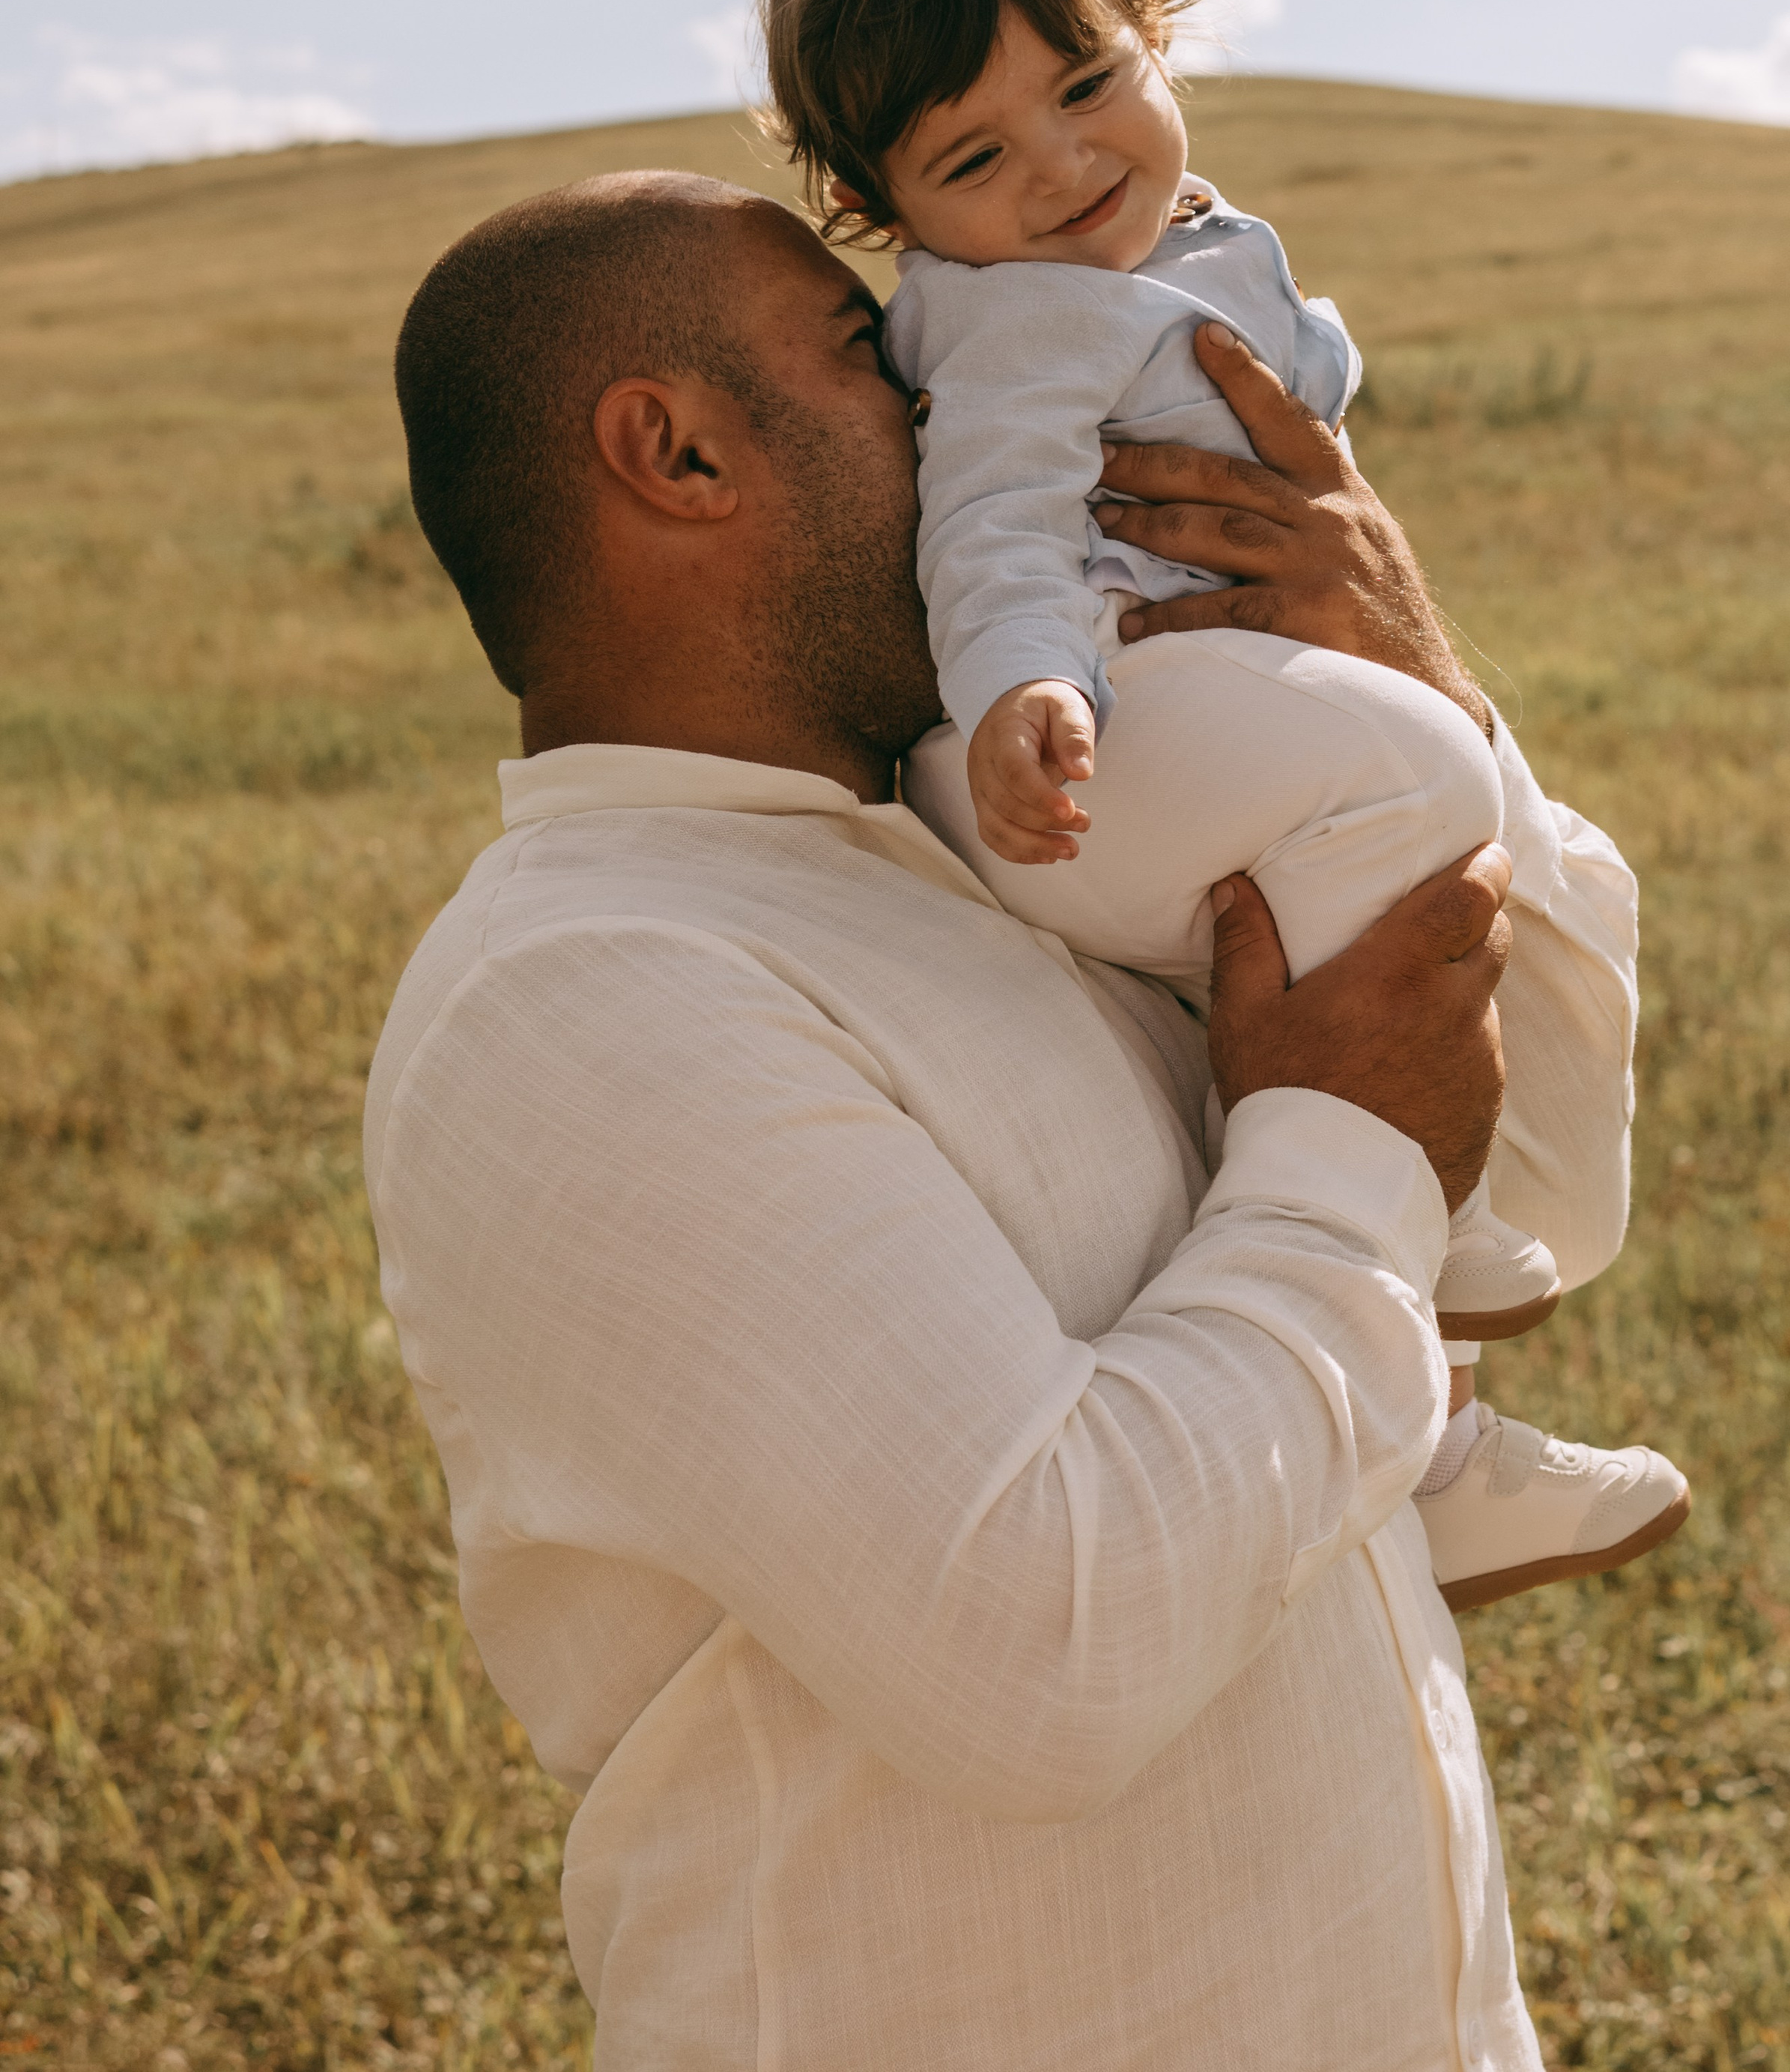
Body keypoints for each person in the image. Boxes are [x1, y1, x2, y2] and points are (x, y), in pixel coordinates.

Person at [370, 167, 1640, 2067]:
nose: (969, 384)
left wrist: (1413, 704)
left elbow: (1538, 1194)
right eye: (875, 354)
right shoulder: (593, 987)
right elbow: (1047, 1649)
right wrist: (1335, 1144)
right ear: (682, 455)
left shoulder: (1019, 854)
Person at [757, 0, 1687, 1605]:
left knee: (1434, 798)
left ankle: (1436, 1445)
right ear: (884, 215)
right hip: (1078, 744)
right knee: (1414, 770)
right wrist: (1027, 679)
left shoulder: (1176, 244)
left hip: (1172, 730)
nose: (1059, 167)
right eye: (971, 155)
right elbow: (991, 520)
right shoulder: (1026, 319)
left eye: (1089, 83)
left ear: (1153, 37)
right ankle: (1438, 1206)